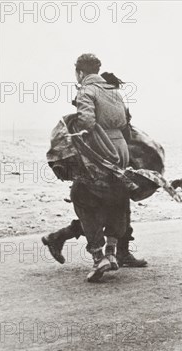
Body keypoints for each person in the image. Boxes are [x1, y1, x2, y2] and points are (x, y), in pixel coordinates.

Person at [42, 71, 147, 268]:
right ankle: (114, 252)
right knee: (106, 204)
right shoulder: (104, 102)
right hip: (103, 158)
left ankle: (63, 238)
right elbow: (105, 128)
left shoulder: (99, 98)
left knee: (106, 204)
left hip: (106, 157)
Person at [70, 53, 130, 282]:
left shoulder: (86, 90)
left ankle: (97, 256)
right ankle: (112, 252)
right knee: (116, 197)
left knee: (82, 196)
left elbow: (86, 122)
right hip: (121, 149)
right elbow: (124, 122)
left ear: (81, 73)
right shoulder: (114, 90)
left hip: (101, 150)